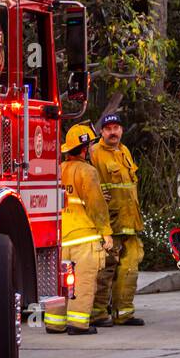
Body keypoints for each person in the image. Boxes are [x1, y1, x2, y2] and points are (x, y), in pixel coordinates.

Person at [52, 123, 113, 336]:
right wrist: (106, 232)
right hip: (83, 237)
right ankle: (78, 325)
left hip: (60, 238)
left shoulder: (57, 170)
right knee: (84, 283)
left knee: (59, 283)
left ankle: (54, 323)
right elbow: (96, 206)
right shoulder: (88, 171)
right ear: (85, 148)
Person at [89, 112, 145, 327]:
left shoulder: (124, 151)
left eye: (116, 128)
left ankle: (124, 314)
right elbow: (86, 182)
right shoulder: (94, 153)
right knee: (105, 270)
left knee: (129, 270)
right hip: (109, 224)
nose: (113, 132)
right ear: (102, 132)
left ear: (121, 130)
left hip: (130, 223)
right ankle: (99, 313)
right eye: (108, 128)